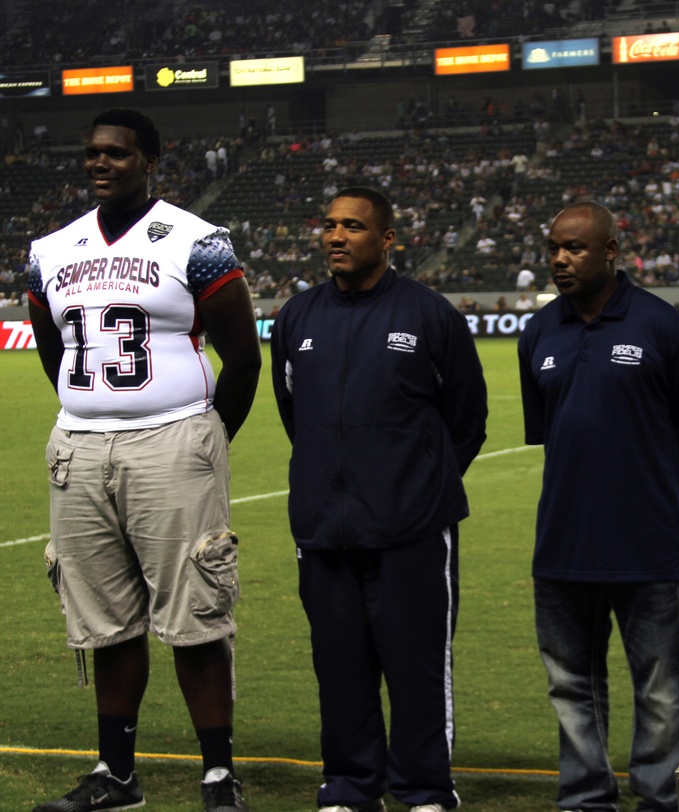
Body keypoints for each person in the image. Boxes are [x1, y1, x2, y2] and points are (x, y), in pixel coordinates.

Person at [27, 108, 261, 812]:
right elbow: (53, 351)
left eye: (117, 154)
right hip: (80, 447)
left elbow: (243, 355)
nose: (101, 163)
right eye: (93, 154)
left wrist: (209, 436)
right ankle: (116, 775)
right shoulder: (51, 248)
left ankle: (219, 776)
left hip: (173, 441)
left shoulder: (198, 240)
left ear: (150, 160)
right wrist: (93, 412)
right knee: (107, 620)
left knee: (196, 613)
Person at [270, 186, 488, 812]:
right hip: (324, 528)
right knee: (339, 669)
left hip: (411, 529)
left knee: (417, 669)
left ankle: (424, 789)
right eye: (330, 224)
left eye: (354, 227)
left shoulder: (429, 315)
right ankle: (349, 785)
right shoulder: (297, 317)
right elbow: (297, 413)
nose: (336, 237)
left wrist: (413, 484)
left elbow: (466, 419)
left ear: (388, 239)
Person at [518, 202, 679, 812]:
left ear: (611, 250)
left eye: (574, 247)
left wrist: (646, 496)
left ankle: (659, 799)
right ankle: (585, 797)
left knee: (659, 689)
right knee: (571, 686)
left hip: (648, 543)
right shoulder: (540, 332)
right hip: (562, 546)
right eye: (553, 247)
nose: (559, 259)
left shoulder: (663, 327)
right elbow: (552, 436)